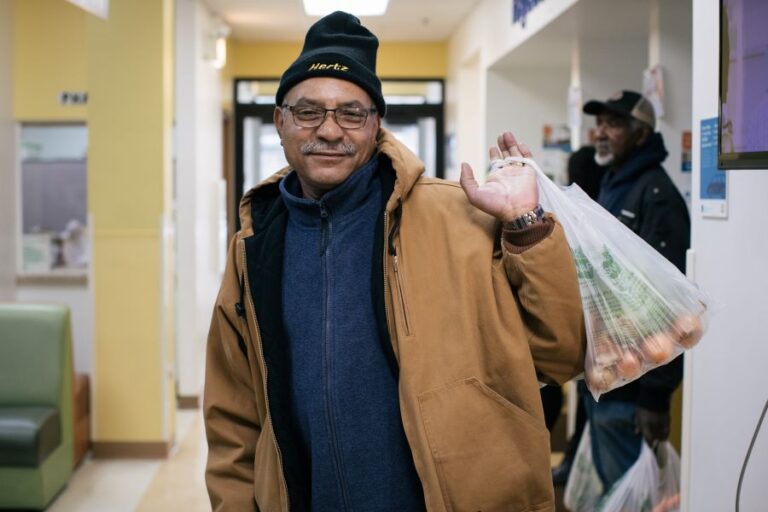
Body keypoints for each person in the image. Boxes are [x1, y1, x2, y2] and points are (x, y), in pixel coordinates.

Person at [203, 10, 586, 512]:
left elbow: (561, 354)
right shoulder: (255, 246)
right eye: (308, 111)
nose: (330, 130)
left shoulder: (460, 217)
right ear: (280, 122)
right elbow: (234, 414)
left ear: (376, 123)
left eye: (351, 113)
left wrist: (528, 226)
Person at [577, 90, 690, 492]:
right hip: (606, 372)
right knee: (615, 488)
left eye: (614, 124)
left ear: (641, 135)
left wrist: (655, 397)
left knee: (631, 491)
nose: (601, 133)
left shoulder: (656, 196)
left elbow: (669, 307)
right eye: (599, 123)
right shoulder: (615, 182)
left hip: (634, 386)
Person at [548, 144, 607, 486]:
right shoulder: (584, 217)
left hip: (598, 354)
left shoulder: (586, 219)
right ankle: (571, 467)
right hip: (589, 353)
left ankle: (571, 468)